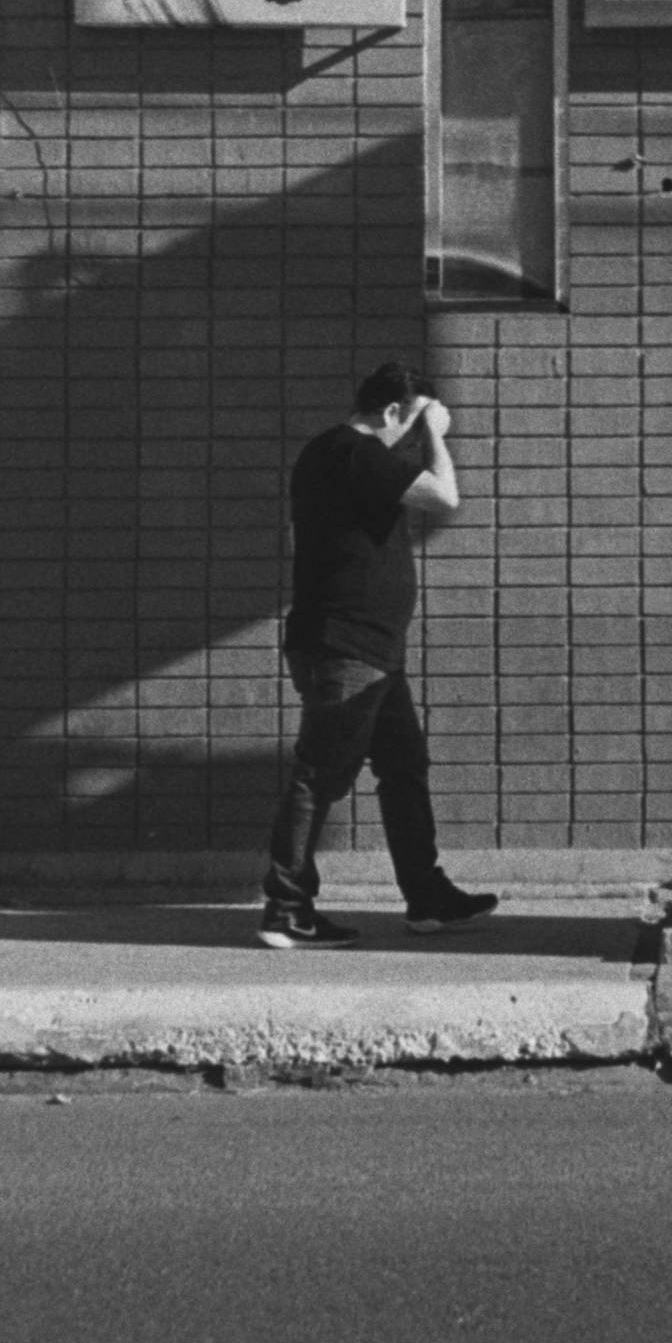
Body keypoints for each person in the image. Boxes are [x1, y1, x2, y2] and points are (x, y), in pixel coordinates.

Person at [260, 361, 499, 946]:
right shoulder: (355, 451)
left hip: (370, 652)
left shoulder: (333, 454)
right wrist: (435, 433)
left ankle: (427, 897)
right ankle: (287, 909)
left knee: (403, 769)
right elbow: (444, 496)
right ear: (393, 411)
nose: (415, 442)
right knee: (320, 775)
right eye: (413, 425)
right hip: (349, 647)